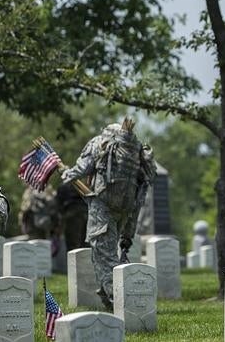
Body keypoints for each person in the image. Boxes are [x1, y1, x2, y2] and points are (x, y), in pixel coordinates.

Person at [61, 118, 156, 310]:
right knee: (109, 251)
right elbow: (142, 188)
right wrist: (129, 232)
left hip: (102, 205)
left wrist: (67, 173)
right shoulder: (136, 149)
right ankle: (109, 297)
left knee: (104, 256)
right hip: (124, 209)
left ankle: (123, 303)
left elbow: (83, 167)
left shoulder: (100, 142)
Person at [56, 182, 89, 251]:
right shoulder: (81, 184)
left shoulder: (63, 187)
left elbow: (58, 205)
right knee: (85, 244)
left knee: (72, 246)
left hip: (71, 215)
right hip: (85, 213)